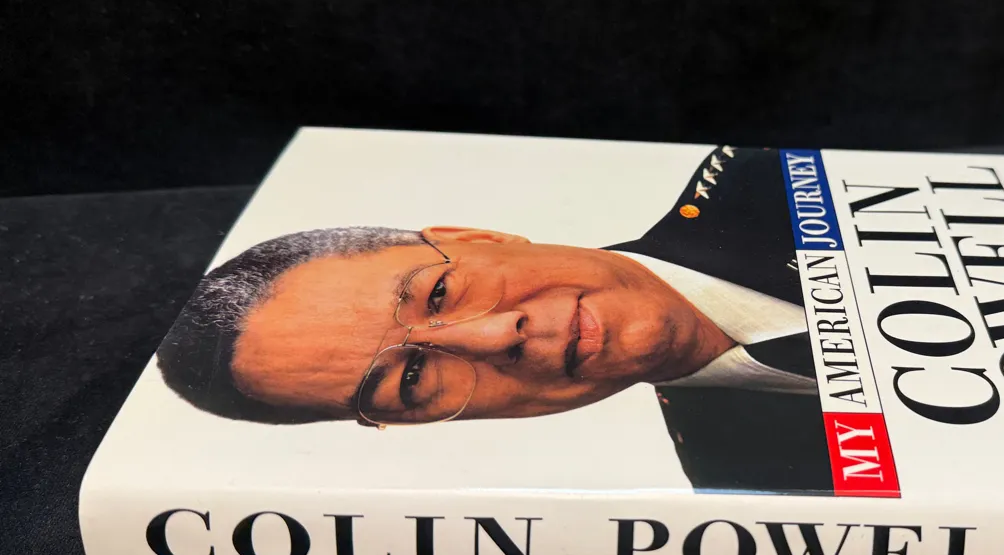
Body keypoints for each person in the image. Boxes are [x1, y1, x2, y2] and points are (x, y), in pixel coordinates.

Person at [158, 146, 833, 494]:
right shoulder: (763, 496)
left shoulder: (777, 174)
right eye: (412, 378)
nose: (495, 336)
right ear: (416, 424)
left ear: (480, 237)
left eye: (439, 293)